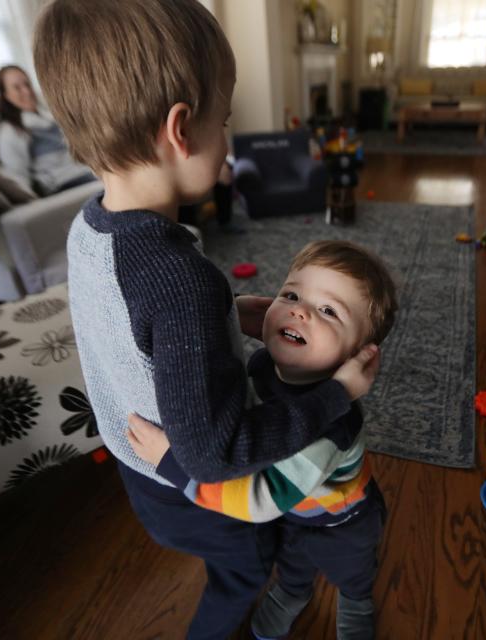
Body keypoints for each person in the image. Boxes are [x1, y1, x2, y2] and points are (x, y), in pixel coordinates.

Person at [31, 2, 381, 639]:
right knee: (245, 573)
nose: (228, 144)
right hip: (186, 484)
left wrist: (223, 312)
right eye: (226, 120)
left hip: (138, 470)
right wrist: (335, 394)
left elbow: (129, 326)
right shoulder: (179, 280)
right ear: (180, 130)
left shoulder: (88, 228)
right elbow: (216, 455)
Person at [127, 240, 397, 640]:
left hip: (342, 520)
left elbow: (260, 500)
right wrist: (228, 315)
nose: (299, 310)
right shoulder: (262, 365)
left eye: (328, 311)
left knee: (350, 568)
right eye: (291, 294)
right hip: (295, 512)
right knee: (291, 561)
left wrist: (173, 464)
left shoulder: (331, 427)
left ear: (357, 357)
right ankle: (292, 592)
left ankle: (357, 600)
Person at [0, 64, 97, 195]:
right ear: (6, 95)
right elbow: (16, 175)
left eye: (27, 84)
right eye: (17, 88)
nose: (26, 91)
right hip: (59, 183)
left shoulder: (50, 117)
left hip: (82, 170)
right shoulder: (10, 131)